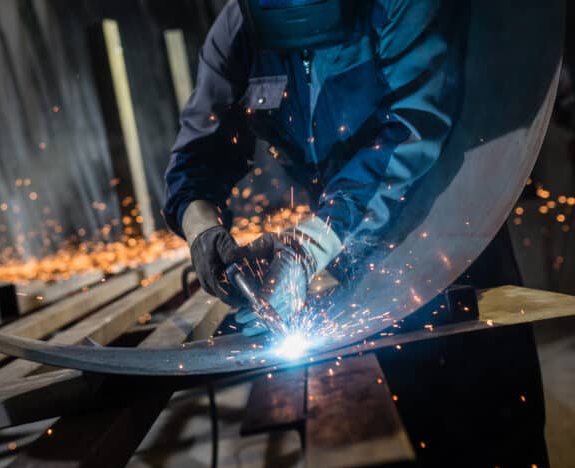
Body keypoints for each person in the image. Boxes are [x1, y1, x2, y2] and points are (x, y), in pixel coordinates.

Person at [164, 0, 486, 330]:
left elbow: (413, 129)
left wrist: (311, 245)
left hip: (449, 238)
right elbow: (202, 147)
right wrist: (199, 224)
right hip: (355, 258)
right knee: (406, 375)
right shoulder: (240, 28)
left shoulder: (399, 6)